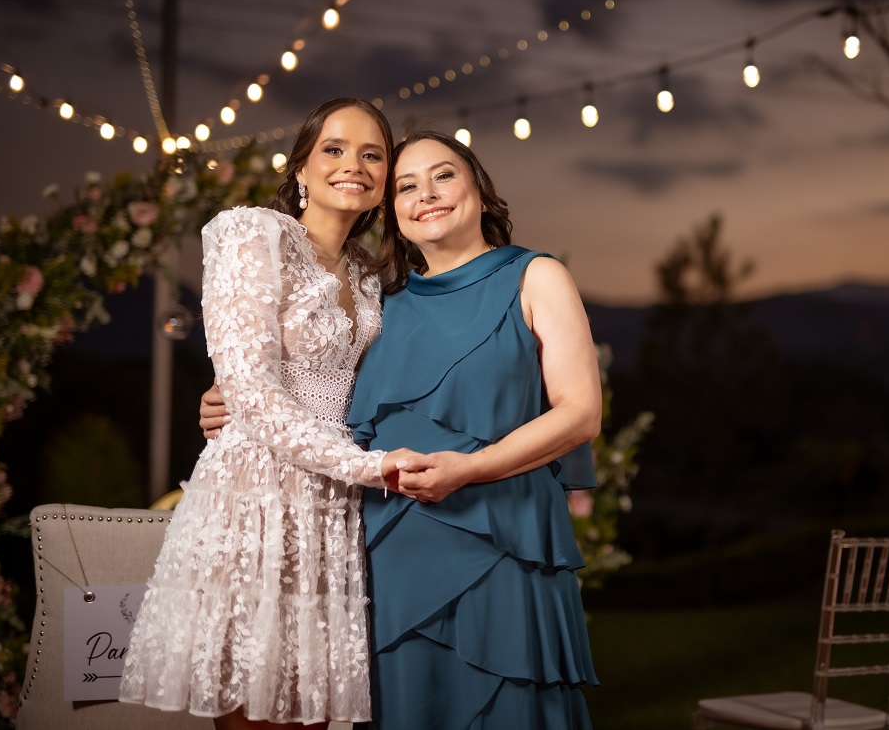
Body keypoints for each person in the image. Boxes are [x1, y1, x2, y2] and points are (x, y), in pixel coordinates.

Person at [206, 129, 603, 728]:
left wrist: (471, 468)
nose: (427, 195)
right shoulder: (381, 303)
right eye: (406, 186)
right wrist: (228, 392)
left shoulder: (537, 276)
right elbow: (319, 384)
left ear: (480, 191)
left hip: (502, 541)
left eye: (443, 176)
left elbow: (580, 413)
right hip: (390, 551)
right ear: (391, 211)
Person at [120, 97, 418, 730]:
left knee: (314, 712)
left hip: (333, 508)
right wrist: (373, 466)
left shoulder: (370, 276)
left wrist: (362, 468)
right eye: (333, 150)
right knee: (256, 709)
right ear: (301, 169)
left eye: (373, 154)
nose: (354, 165)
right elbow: (251, 390)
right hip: (257, 496)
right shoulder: (253, 232)